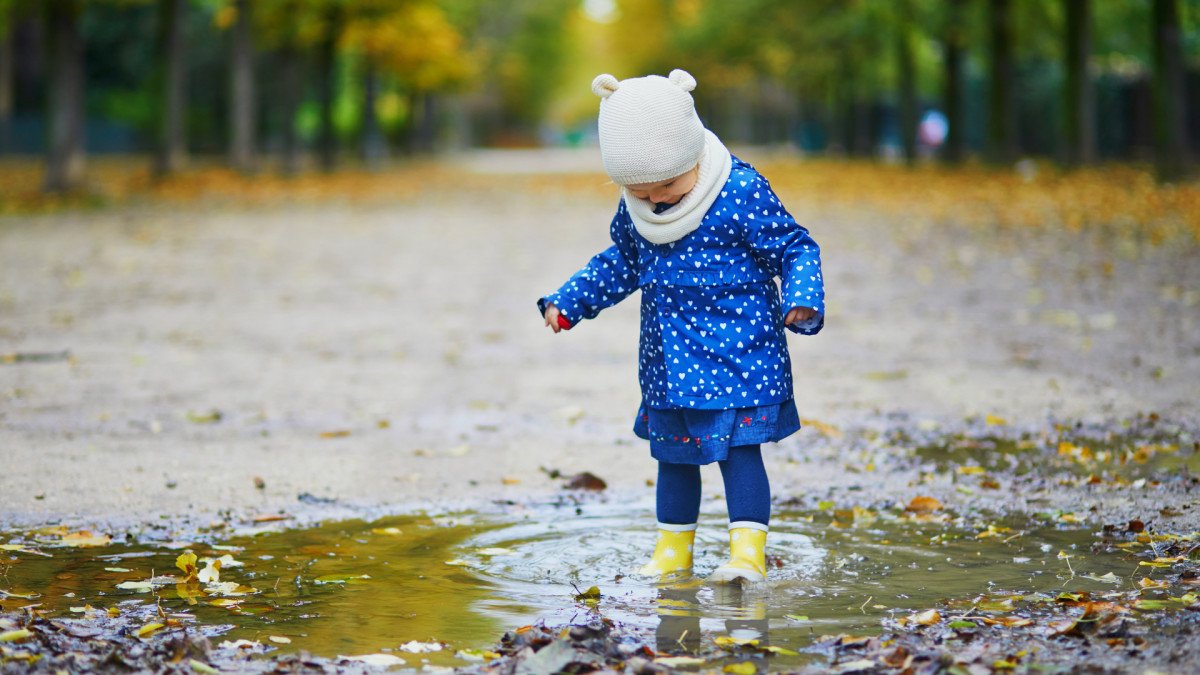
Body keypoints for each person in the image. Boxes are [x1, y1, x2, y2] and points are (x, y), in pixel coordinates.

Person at [538, 69, 825, 583]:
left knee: (739, 454)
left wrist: (802, 299)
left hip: (742, 354)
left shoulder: (738, 190)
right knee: (673, 458)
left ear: (693, 154)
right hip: (670, 363)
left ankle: (746, 555)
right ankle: (673, 552)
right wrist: (569, 302)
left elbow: (794, 245)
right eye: (641, 192)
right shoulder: (639, 208)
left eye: (667, 186)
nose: (657, 201)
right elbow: (621, 262)